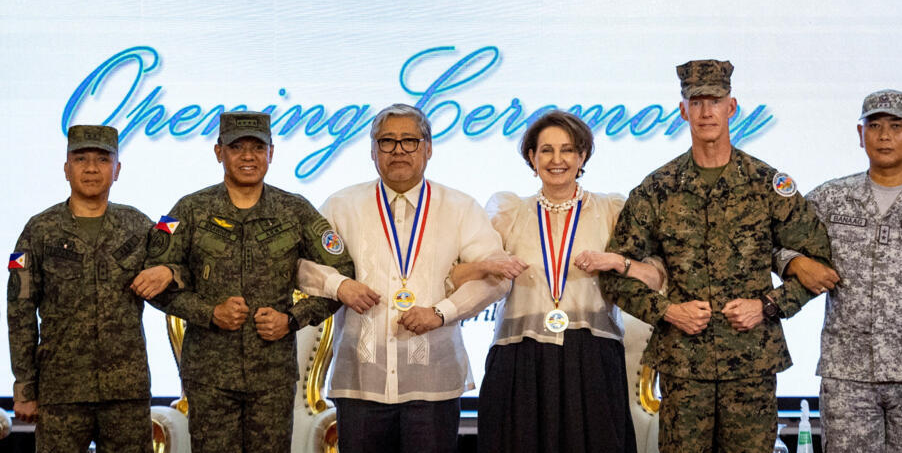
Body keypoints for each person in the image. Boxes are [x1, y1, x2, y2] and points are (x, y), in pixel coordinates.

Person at [599, 60, 834, 452]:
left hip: (751, 364)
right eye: (697, 101)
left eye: (716, 100)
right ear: (683, 110)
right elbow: (613, 274)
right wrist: (668, 311)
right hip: (684, 365)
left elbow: (820, 263)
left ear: (732, 106)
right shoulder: (658, 189)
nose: (706, 111)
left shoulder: (766, 184)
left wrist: (768, 305)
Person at [297, 103, 519, 453]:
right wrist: (340, 285)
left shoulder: (459, 207)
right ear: (372, 151)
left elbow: (497, 276)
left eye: (409, 141)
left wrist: (442, 311)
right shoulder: (342, 205)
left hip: (432, 382)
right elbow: (303, 265)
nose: (398, 150)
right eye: (387, 141)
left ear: (428, 148)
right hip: (361, 381)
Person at [451, 110, 665, 453]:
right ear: (532, 158)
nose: (557, 159)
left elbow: (655, 276)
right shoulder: (509, 211)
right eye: (546, 150)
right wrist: (491, 265)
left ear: (582, 156)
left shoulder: (611, 209)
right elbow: (457, 274)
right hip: (520, 356)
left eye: (567, 150)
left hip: (591, 357)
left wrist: (614, 261)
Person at [780, 89, 902, 452]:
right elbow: (778, 240)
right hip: (848, 376)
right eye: (874, 126)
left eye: (896, 126)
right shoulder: (830, 199)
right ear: (860, 135)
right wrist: (795, 262)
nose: (884, 136)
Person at [145, 111, 354, 453]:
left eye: (257, 148)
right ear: (218, 152)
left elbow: (342, 274)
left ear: (271, 152)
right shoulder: (191, 209)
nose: (247, 156)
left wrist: (293, 320)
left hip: (271, 377)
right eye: (236, 147)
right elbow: (154, 279)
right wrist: (209, 313)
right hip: (210, 377)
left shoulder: (295, 211)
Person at [6, 125, 174, 452]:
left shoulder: (138, 225)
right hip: (61, 390)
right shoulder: (38, 229)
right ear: (66, 169)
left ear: (117, 170)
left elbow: (174, 270)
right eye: (80, 159)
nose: (92, 168)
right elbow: (20, 310)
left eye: (103, 159)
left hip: (125, 390)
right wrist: (24, 385)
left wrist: (169, 270)